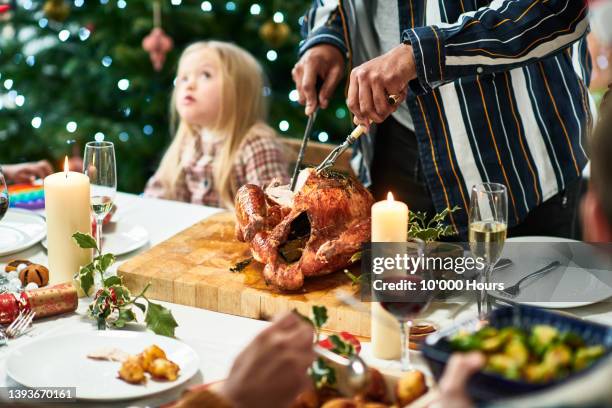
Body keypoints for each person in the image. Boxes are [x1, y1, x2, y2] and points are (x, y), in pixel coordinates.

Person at [293, 1, 593, 239]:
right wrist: (327, 36)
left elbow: (559, 9)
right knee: (400, 310)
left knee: (518, 316)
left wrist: (421, 54)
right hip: (392, 152)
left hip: (516, 161)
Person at [144, 41, 289, 209]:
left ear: (239, 92)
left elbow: (274, 212)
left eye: (205, 75)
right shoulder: (189, 140)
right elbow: (158, 194)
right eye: (183, 78)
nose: (188, 85)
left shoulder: (257, 146)